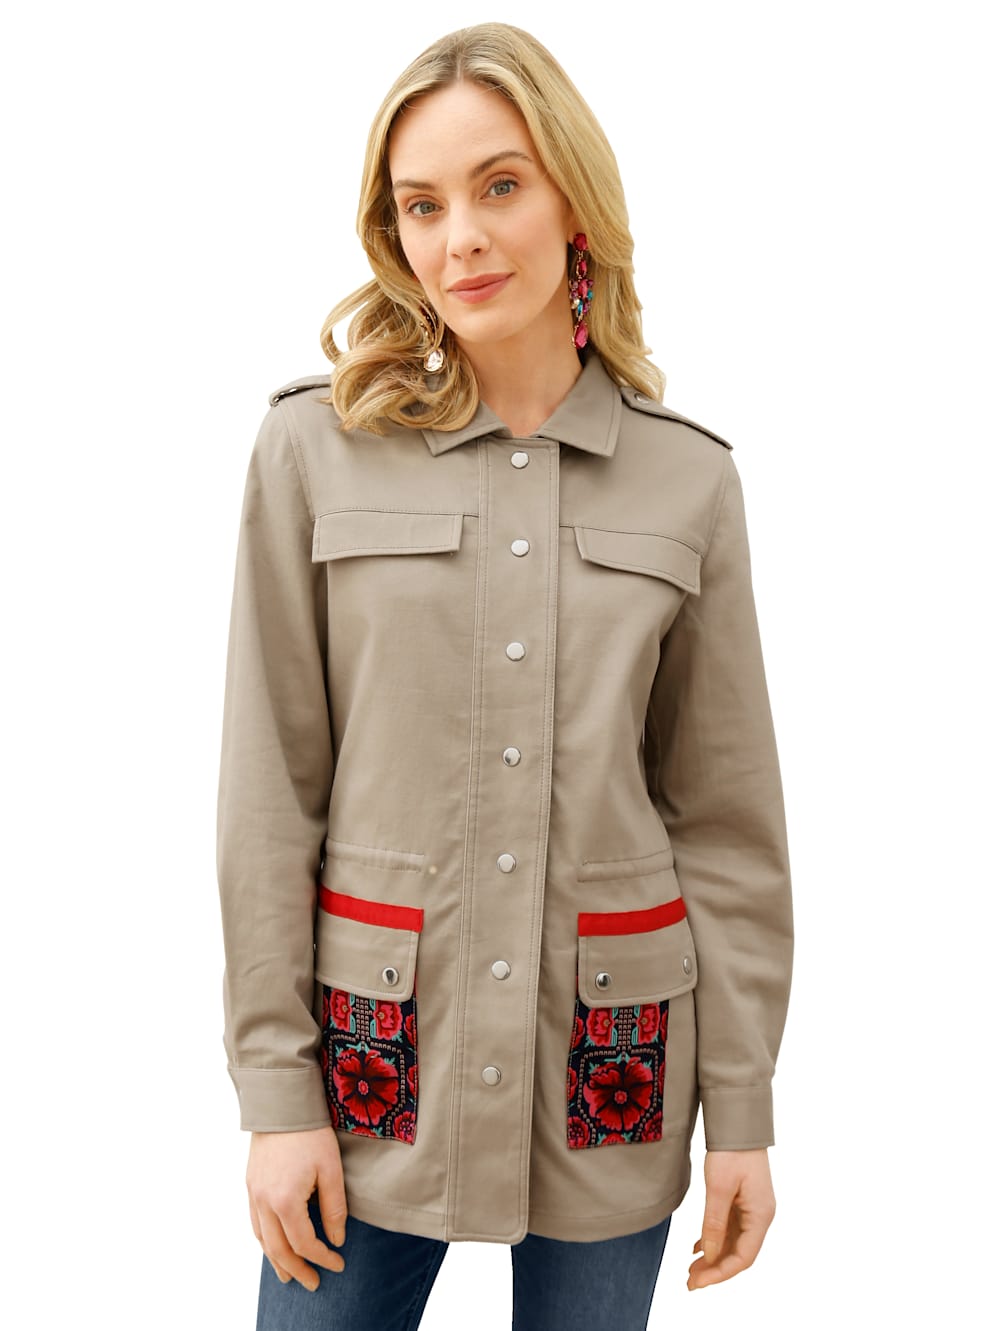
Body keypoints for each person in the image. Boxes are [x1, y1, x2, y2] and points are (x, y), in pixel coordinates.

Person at [216, 21, 794, 1331]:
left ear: (573, 200)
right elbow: (269, 795)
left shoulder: (689, 478)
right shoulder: (313, 451)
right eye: (423, 206)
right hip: (371, 1064)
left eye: (499, 186)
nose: (461, 239)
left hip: (612, 1064)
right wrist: (276, 1096)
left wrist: (744, 1112)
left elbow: (725, 828)